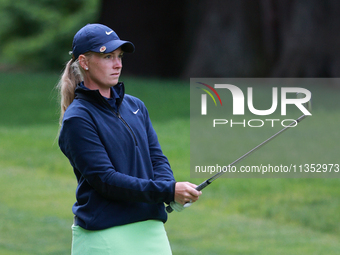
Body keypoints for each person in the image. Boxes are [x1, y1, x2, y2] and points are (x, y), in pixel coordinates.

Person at [57, 23, 202, 254]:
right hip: (104, 235)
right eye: (107, 57)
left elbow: (157, 159)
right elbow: (106, 180)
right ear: (84, 62)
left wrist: (169, 188)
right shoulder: (78, 118)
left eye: (119, 56)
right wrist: (167, 191)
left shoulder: (135, 106)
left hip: (151, 231)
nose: (117, 64)